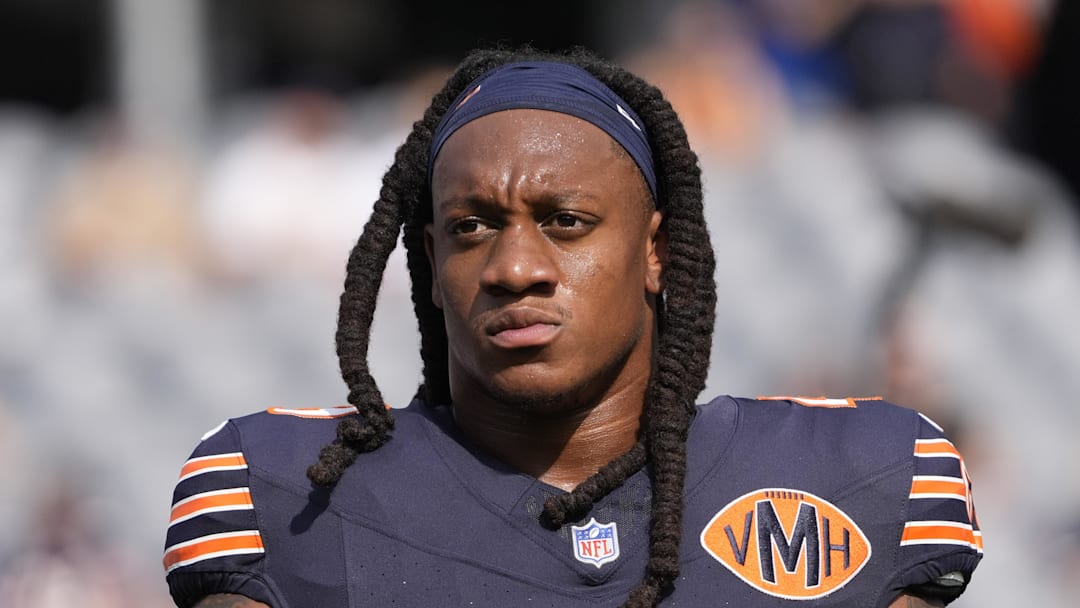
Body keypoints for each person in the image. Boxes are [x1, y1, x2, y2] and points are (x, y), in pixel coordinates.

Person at [163, 47, 982, 608]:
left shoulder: (861, 480)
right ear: (430, 261)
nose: (516, 267)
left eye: (565, 221)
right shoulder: (284, 496)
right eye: (473, 227)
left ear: (657, 251)